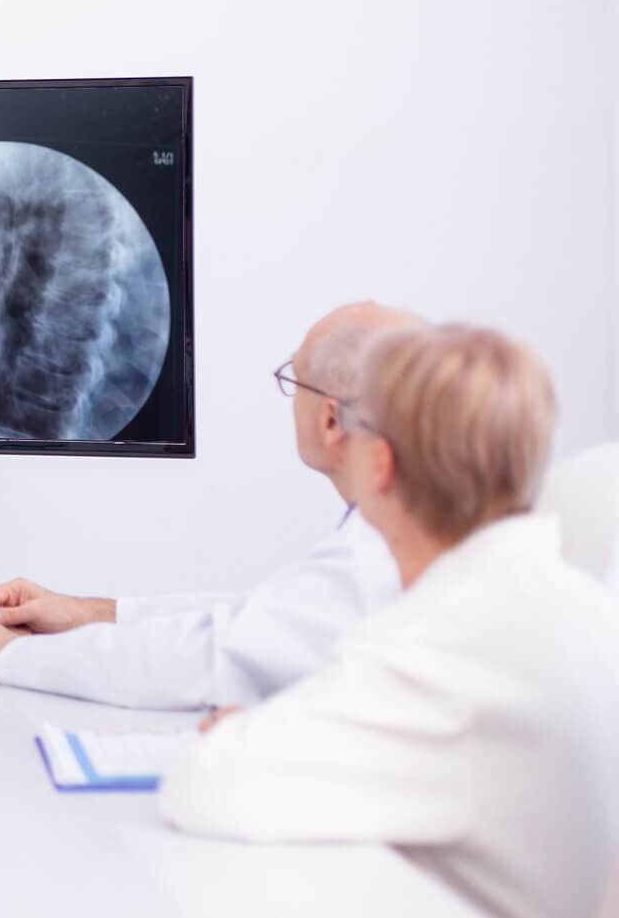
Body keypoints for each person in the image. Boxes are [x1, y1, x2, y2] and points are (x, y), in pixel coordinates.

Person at [160, 324, 619, 918]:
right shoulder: (582, 605)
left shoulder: (441, 646)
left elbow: (206, 784)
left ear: (379, 463)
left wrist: (244, 736)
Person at [0, 302, 420, 708]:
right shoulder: (396, 530)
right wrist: (83, 612)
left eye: (292, 379)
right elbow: (257, 617)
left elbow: (206, 657)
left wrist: (4, 655)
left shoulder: (374, 561)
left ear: (330, 420)